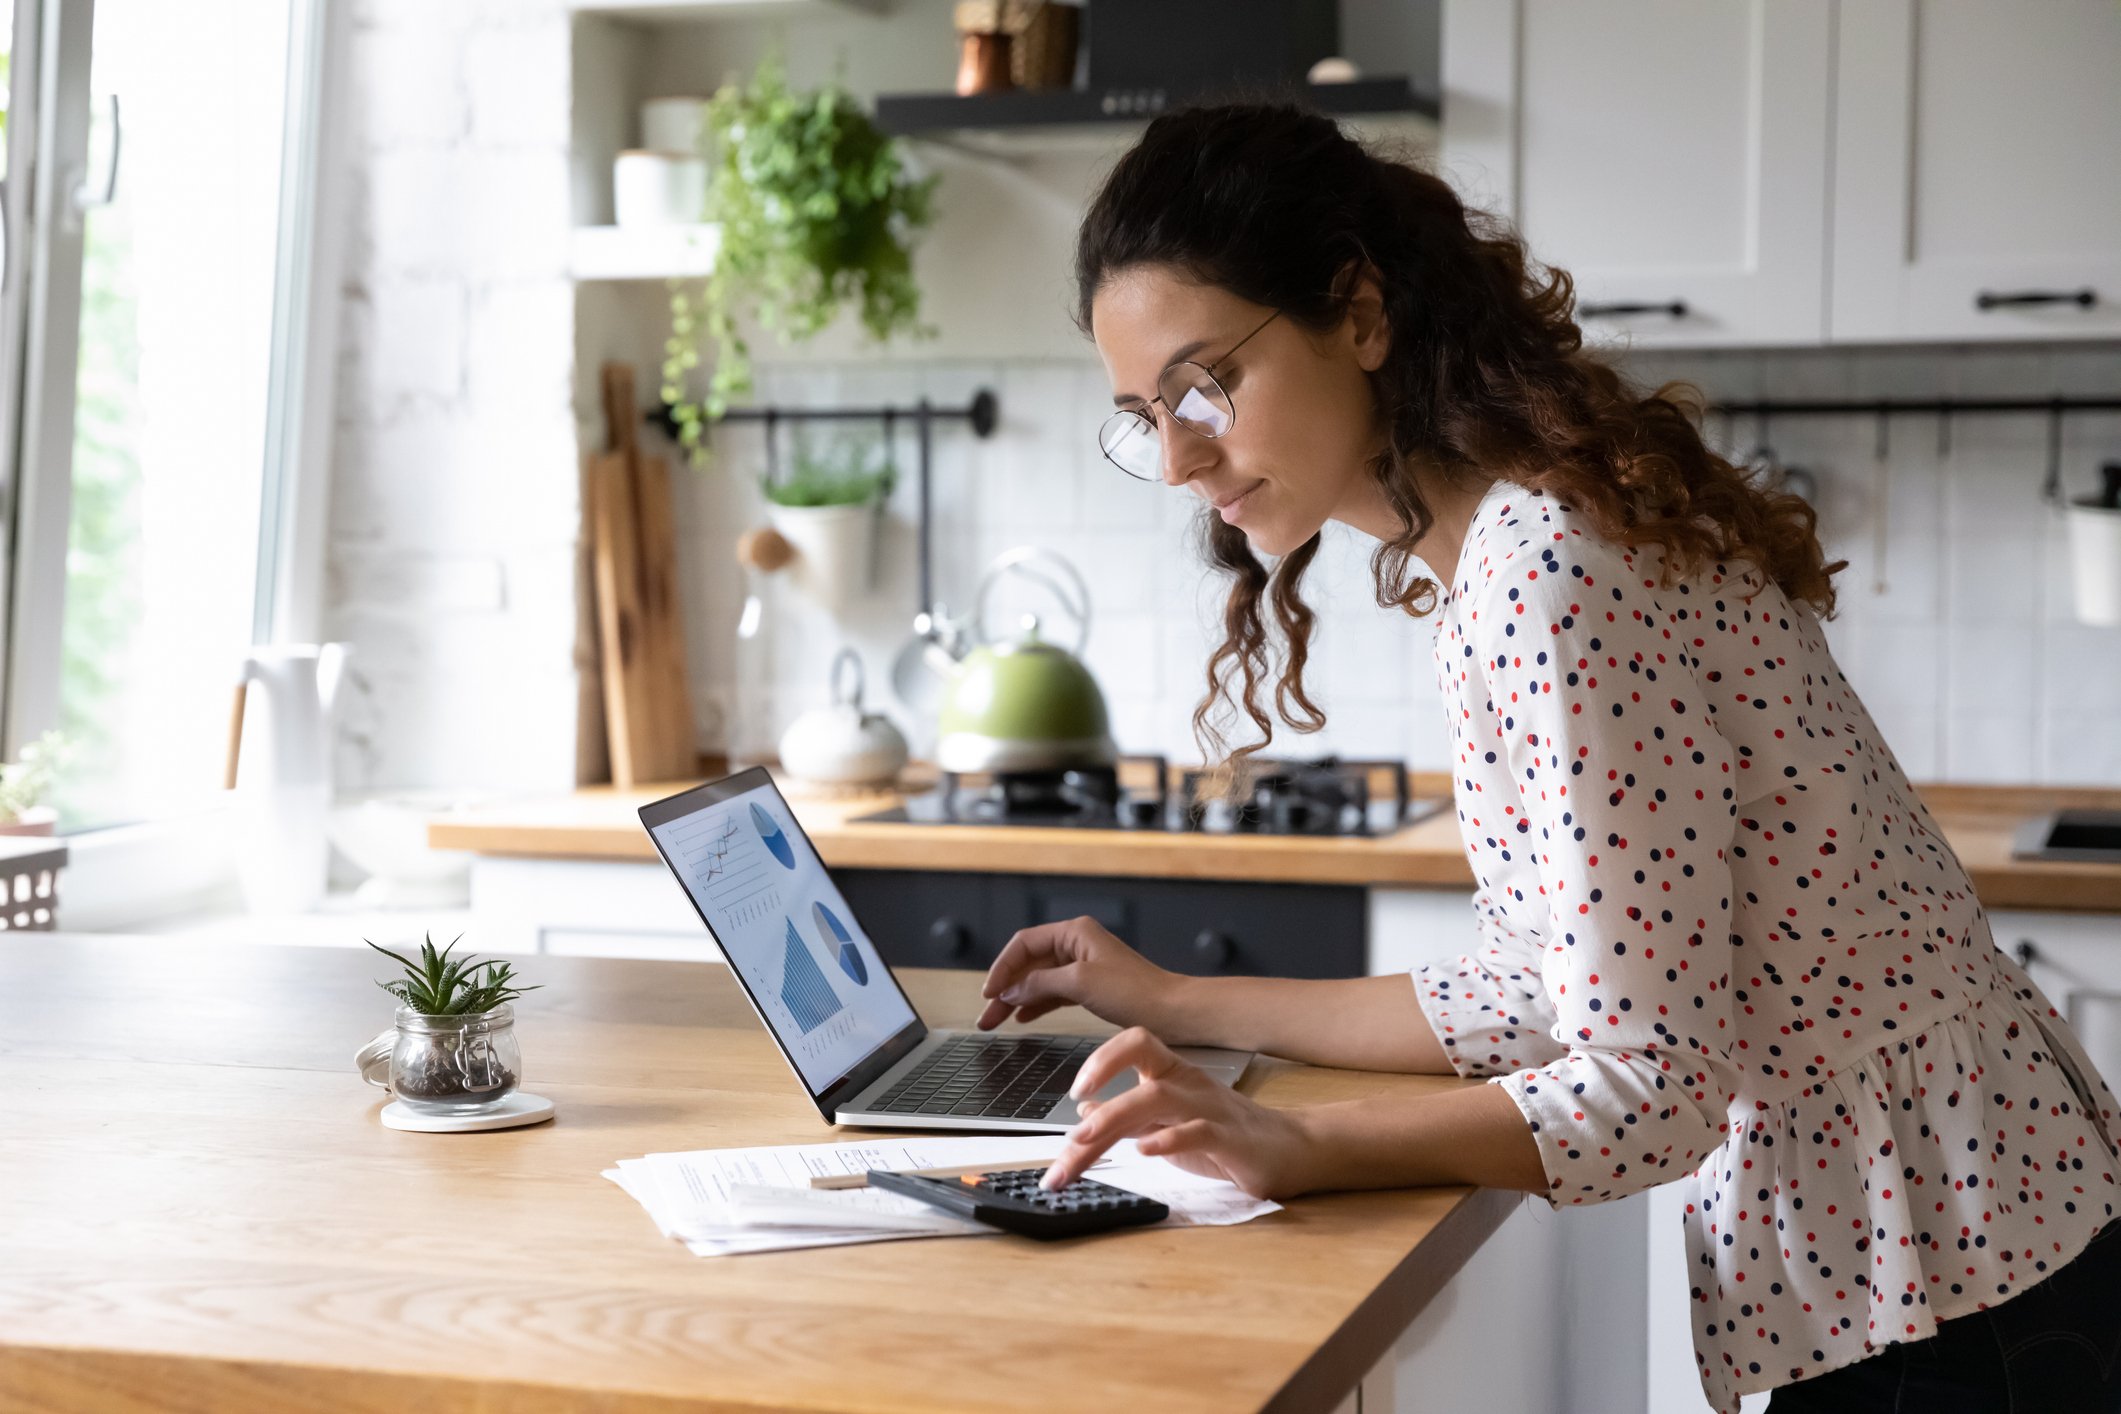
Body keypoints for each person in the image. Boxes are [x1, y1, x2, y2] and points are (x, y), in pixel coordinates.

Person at [974, 103, 2121, 1414]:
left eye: (1204, 383)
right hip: (1955, 1244)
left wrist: (1295, 1143)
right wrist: (1179, 1000)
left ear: (1356, 313)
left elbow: (1647, 1087)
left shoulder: (1547, 577)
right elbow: (1537, 987)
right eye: (1142, 414)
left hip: (1956, 1284)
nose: (1178, 456)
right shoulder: (1505, 549)